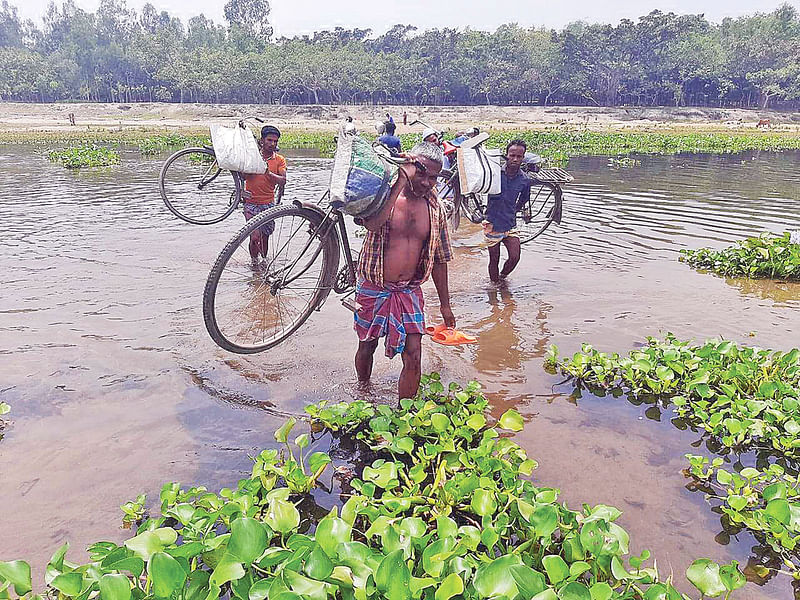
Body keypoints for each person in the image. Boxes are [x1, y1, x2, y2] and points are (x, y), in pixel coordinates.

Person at [353, 142, 455, 399]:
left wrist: (446, 306)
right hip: (373, 286)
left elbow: (440, 259)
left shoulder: (436, 209)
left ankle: (406, 415)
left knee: (414, 354)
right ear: (409, 166)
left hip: (409, 290)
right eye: (421, 173)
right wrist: (400, 180)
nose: (427, 182)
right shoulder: (383, 196)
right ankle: (363, 393)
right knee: (367, 344)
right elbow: (373, 225)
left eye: (433, 177)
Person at [483, 139, 531, 282]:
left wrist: (513, 211)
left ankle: (502, 278)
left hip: (510, 224)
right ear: (506, 155)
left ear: (523, 158)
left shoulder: (524, 179)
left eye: (519, 156)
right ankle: (494, 287)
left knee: (515, 257)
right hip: (492, 224)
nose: (515, 159)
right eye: (512, 155)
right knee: (494, 260)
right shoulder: (495, 173)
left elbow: (523, 200)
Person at [241, 125, 287, 265]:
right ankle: (254, 262)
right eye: (269, 140)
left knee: (265, 236)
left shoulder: (279, 160)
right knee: (254, 237)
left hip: (268, 204)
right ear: (262, 141)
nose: (272, 144)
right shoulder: (252, 157)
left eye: (275, 141)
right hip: (250, 203)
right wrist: (254, 167)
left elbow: (283, 180)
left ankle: (264, 262)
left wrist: (268, 173)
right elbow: (243, 176)